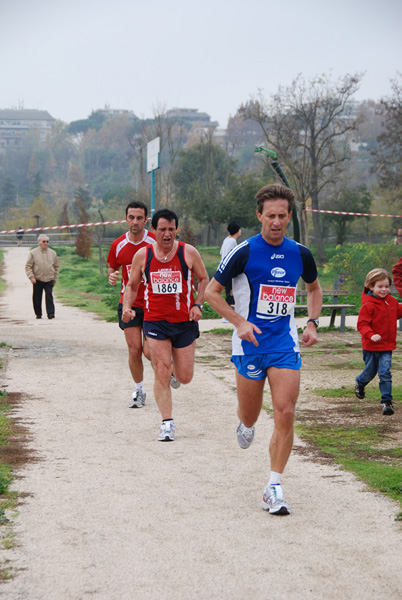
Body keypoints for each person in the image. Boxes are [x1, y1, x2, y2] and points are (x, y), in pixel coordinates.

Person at [205, 183, 322, 516]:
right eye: (270, 215)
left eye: (282, 216)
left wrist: (312, 322)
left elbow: (314, 289)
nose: (276, 222)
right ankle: (245, 423)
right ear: (259, 216)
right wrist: (239, 322)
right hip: (249, 345)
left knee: (285, 411)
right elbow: (212, 293)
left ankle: (274, 486)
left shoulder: (300, 253)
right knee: (250, 414)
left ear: (288, 217)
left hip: (284, 345)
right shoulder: (242, 252)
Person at [122, 208, 209, 442]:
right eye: (162, 229)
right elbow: (131, 285)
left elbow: (203, 279)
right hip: (155, 321)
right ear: (154, 231)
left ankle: (174, 371)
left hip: (184, 322)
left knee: (185, 376)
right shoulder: (143, 255)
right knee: (161, 370)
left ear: (176, 230)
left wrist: (198, 304)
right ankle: (167, 423)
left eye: (171, 229)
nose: (167, 234)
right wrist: (127, 307)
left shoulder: (188, 252)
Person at [107, 201, 156, 409]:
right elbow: (112, 267)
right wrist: (112, 276)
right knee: (134, 349)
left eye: (139, 218)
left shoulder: (154, 241)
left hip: (153, 303)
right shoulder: (118, 244)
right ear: (125, 219)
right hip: (128, 303)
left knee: (148, 351)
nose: (135, 222)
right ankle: (139, 390)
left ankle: (168, 368)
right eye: (131, 217)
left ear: (146, 219)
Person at [355, 268, 402, 416]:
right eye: (380, 287)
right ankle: (360, 383)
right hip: (371, 346)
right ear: (371, 286)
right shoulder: (368, 305)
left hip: (387, 345)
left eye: (387, 286)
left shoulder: (392, 302)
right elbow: (362, 324)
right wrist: (371, 334)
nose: (384, 290)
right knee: (370, 372)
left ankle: (387, 402)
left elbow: (398, 312)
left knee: (385, 373)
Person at [25, 234, 59, 319]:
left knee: (49, 296)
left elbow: (56, 266)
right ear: (39, 242)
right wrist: (31, 277)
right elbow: (28, 266)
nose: (45, 243)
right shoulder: (33, 253)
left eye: (47, 242)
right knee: (37, 297)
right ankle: (38, 314)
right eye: (44, 241)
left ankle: (51, 314)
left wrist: (54, 278)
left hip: (49, 279)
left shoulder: (52, 253)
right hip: (37, 279)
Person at [219, 221, 241, 320]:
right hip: (229, 270)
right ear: (237, 231)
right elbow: (232, 256)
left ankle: (228, 315)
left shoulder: (227, 239)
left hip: (223, 268)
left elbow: (222, 253)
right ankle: (227, 316)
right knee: (230, 293)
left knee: (229, 292)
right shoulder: (232, 241)